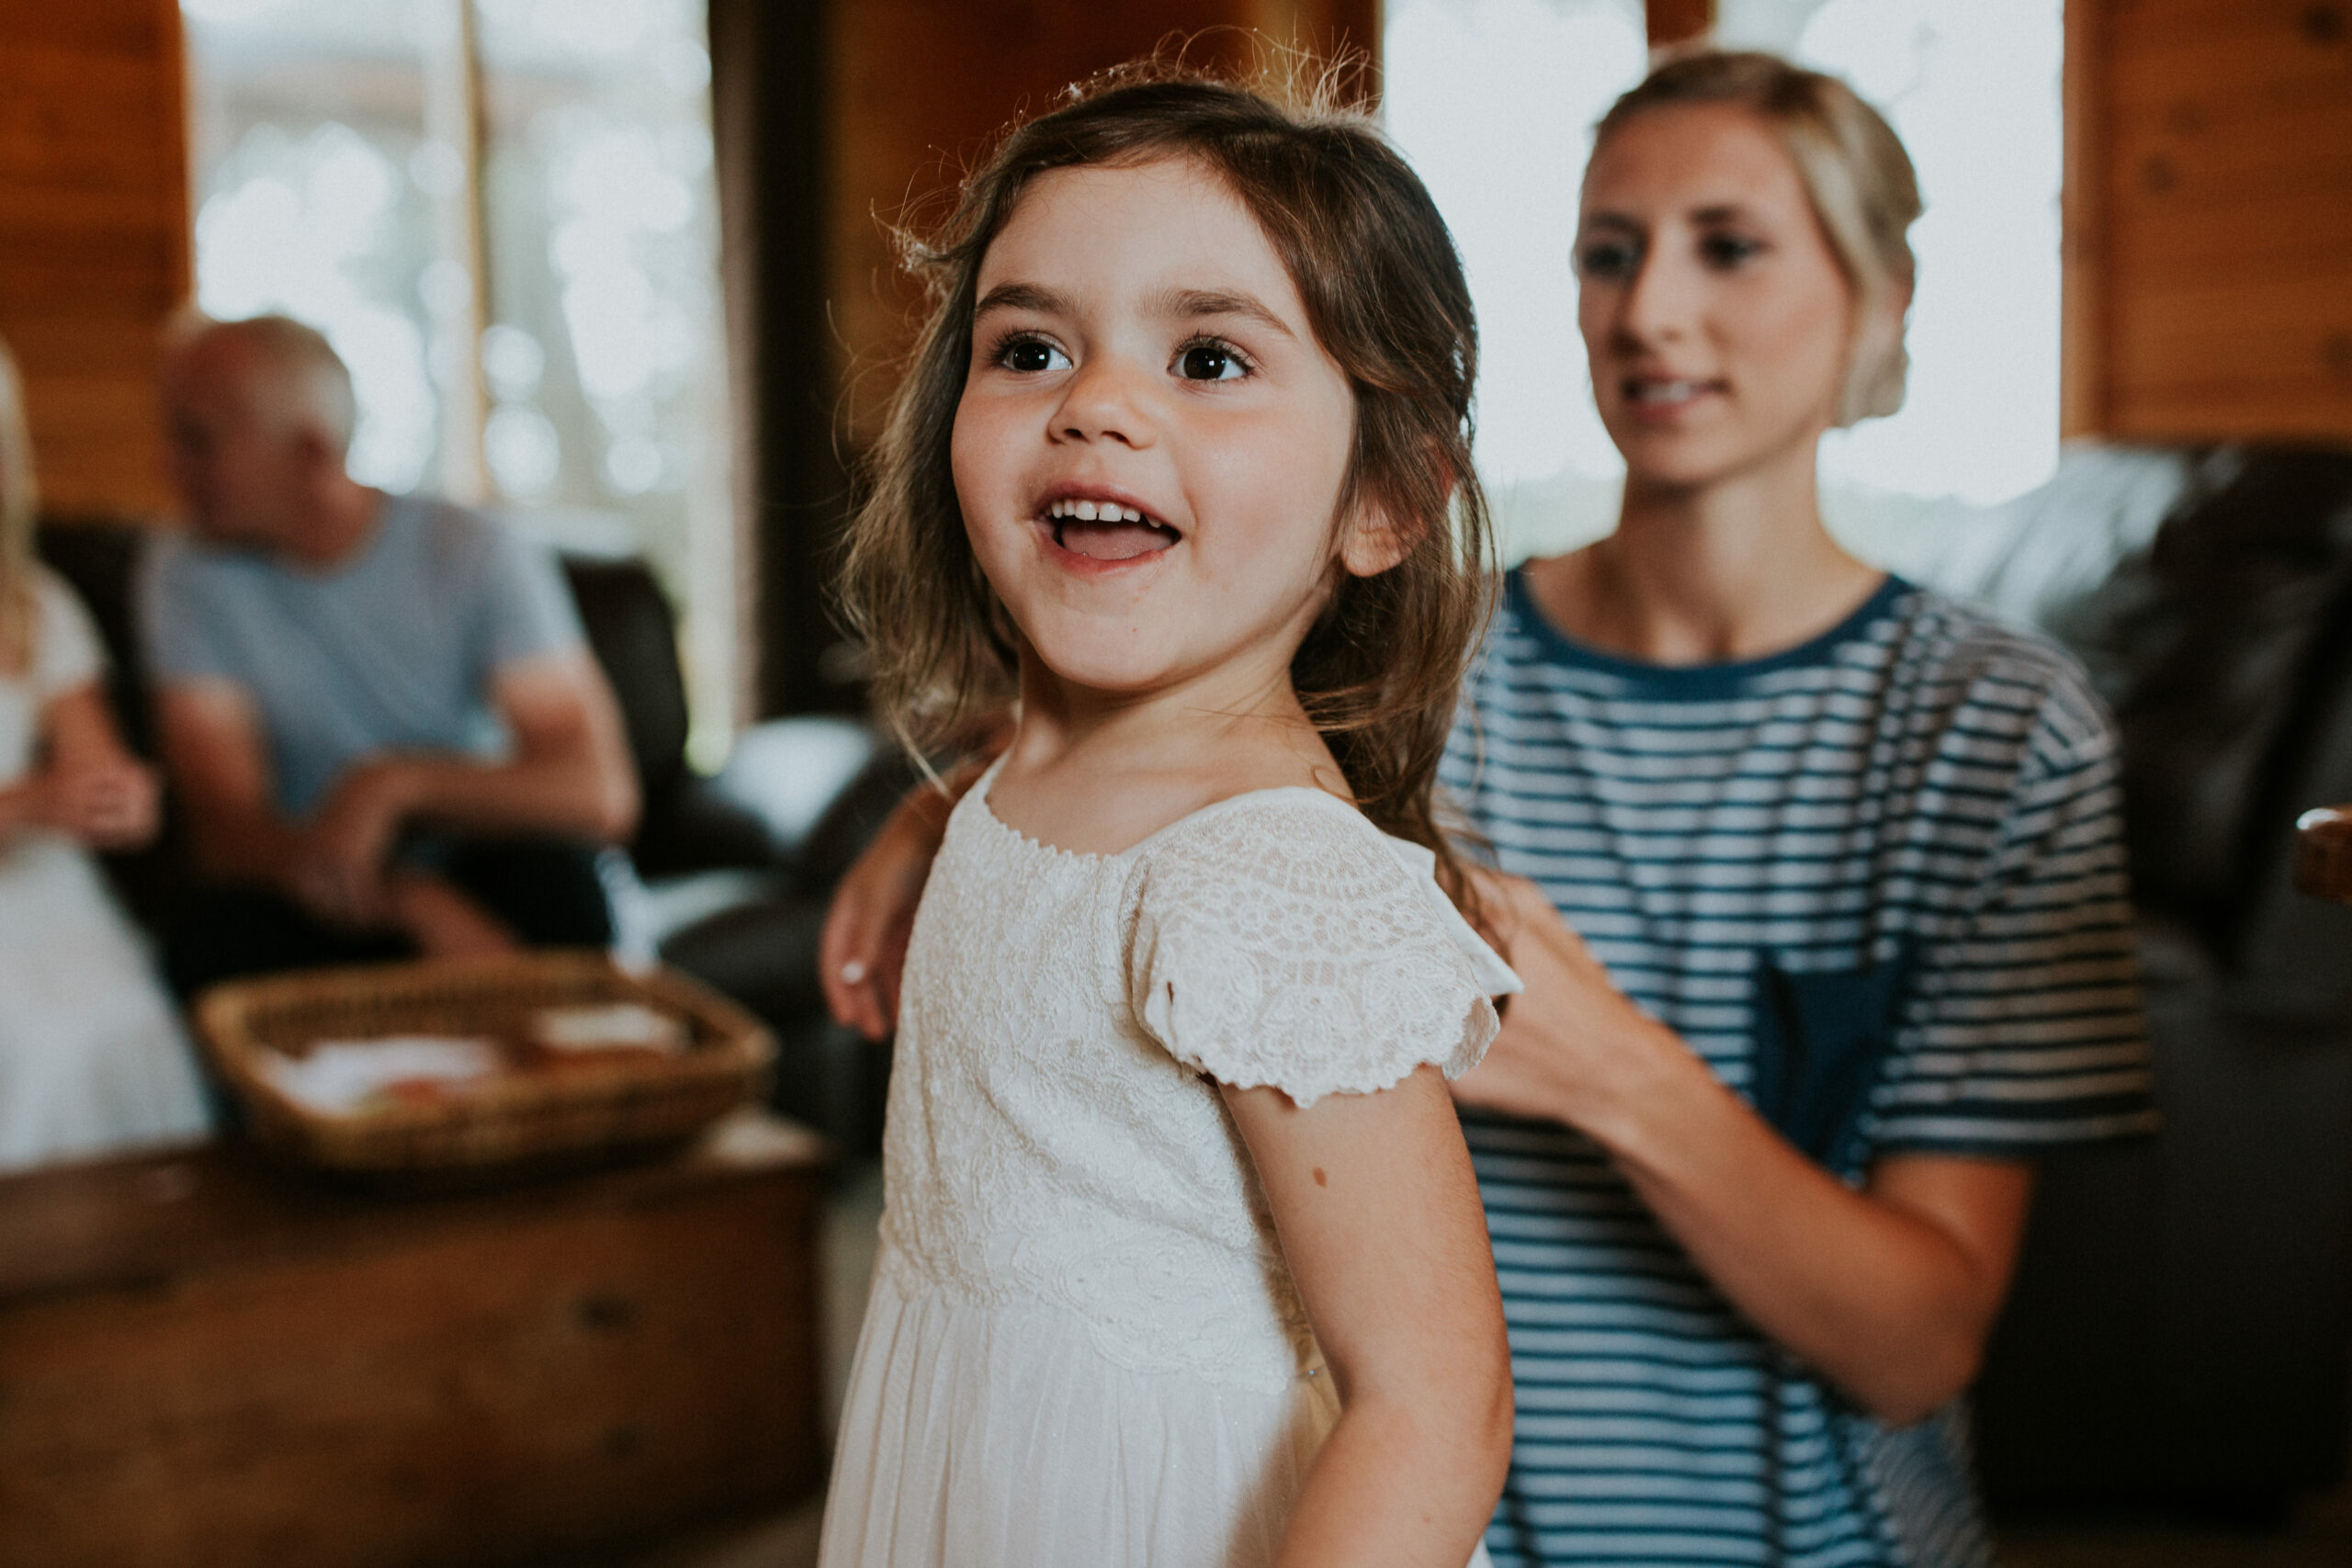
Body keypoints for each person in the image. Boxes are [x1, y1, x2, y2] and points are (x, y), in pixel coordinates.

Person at [824, 51, 2158, 1568]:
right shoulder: (1410, 666)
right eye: (1608, 250)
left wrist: (1615, 1074)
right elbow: (1158, 729)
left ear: (1882, 299)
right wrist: (948, 815)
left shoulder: (1994, 725)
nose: (1649, 308)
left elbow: (1919, 1346)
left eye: (1730, 244)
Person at [813, 70, 1518, 1568]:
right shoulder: (1051, 765)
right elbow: (1055, 790)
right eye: (1031, 346)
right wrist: (927, 823)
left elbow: (1434, 1403)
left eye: (1206, 357)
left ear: (1382, 502)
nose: (1097, 404)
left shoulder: (1274, 880)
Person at [141, 315, 639, 997]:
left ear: (311, 451)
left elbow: (600, 791)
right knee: (214, 941)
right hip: (310, 876)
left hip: (475, 852)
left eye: (198, 440)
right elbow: (227, 833)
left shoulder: (473, 551)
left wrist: (394, 785)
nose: (169, 465)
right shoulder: (185, 571)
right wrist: (410, 898)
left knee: (563, 889)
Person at [0, 336, 210, 1169]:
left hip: (47, 893)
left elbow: (95, 767)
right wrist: (24, 805)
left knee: (128, 1027)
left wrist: (121, 799)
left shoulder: (36, 604)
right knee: (38, 1044)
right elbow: (39, 798)